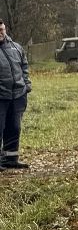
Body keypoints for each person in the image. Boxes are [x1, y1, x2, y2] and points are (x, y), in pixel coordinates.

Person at [0, 21, 31, 169]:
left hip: (18, 95)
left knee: (15, 127)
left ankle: (11, 159)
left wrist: (26, 85)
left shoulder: (16, 47)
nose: (1, 33)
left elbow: (24, 66)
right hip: (1, 97)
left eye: (2, 30)